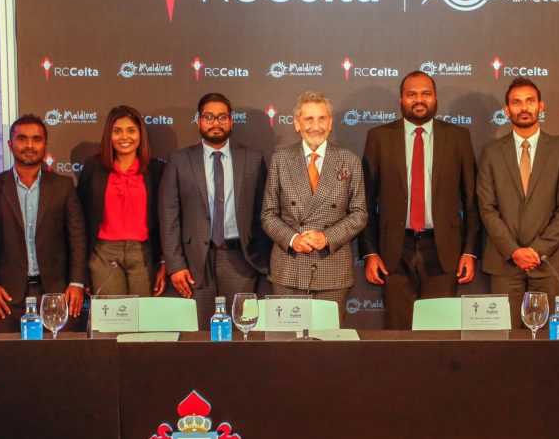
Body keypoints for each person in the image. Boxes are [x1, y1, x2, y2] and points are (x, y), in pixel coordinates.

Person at [360, 71, 480, 328]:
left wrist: (470, 250)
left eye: (426, 93)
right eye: (411, 94)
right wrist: (370, 252)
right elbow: (366, 201)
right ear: (401, 99)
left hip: (443, 249)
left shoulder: (458, 137)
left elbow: (471, 200)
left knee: (439, 333)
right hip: (394, 251)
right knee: (397, 332)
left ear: (435, 98)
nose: (419, 100)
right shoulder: (379, 137)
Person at [0, 114, 87, 332]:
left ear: (45, 145)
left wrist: (77, 282)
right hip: (6, 296)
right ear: (10, 144)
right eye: (22, 139)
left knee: (62, 352)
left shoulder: (63, 186)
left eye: (36, 139)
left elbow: (77, 238)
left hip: (57, 292)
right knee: (10, 354)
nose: (29, 145)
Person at [159, 93, 270, 326]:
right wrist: (175, 264)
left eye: (222, 117)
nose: (215, 122)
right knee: (199, 333)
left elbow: (264, 212)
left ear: (231, 121)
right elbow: (168, 215)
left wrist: (261, 259)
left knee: (241, 330)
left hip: (240, 260)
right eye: (209, 117)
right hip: (193, 263)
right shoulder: (180, 161)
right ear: (199, 121)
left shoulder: (252, 159)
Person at [477, 78, 559, 327]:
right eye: (516, 102)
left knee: (546, 340)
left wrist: (538, 250)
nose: (524, 107)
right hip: (504, 262)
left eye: (530, 101)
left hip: (547, 262)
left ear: (541, 106)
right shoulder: (491, 152)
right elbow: (487, 207)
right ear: (507, 110)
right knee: (506, 339)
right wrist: (514, 251)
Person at [261, 91, 367, 314]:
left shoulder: (349, 160)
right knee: (288, 334)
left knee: (328, 335)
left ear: (330, 123)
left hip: (332, 269)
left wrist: (327, 237)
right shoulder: (280, 160)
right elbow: (268, 214)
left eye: (322, 119)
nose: (316, 126)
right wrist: (293, 239)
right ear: (297, 123)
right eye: (309, 119)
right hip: (289, 268)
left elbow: (359, 214)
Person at [77, 105, 166, 298]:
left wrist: (164, 262)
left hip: (144, 253)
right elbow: (80, 216)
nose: (124, 137)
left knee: (143, 315)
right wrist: (81, 269)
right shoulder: (94, 166)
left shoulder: (156, 170)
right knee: (111, 315)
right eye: (117, 131)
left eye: (131, 130)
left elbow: (167, 219)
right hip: (103, 253)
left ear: (140, 134)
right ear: (109, 135)